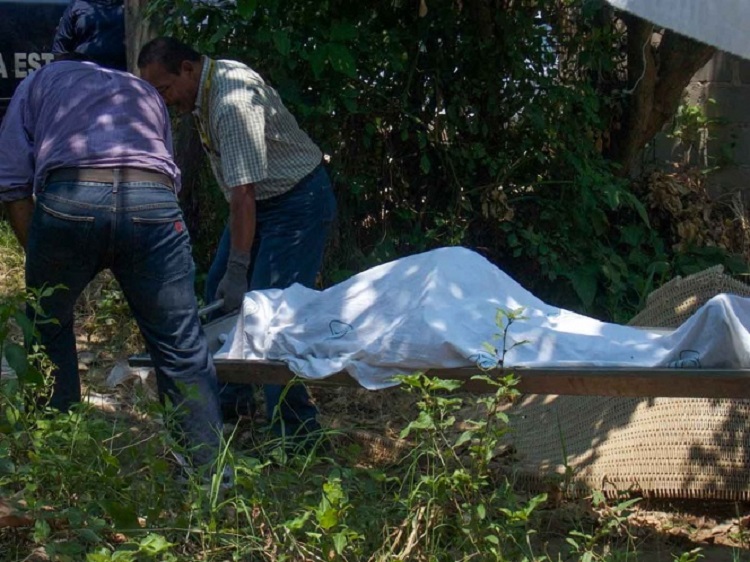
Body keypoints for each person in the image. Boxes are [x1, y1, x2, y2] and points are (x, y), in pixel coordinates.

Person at [0, 56, 225, 475]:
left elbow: (12, 184)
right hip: (152, 203)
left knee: (47, 328)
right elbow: (165, 174)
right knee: (181, 345)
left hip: (70, 197)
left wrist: (46, 263)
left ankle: (56, 463)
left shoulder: (38, 82)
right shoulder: (143, 91)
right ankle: (209, 477)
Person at [137, 37, 337, 439]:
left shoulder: (232, 103)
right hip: (259, 201)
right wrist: (230, 275)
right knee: (219, 296)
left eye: (165, 89)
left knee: (272, 315)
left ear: (188, 69)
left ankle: (296, 432)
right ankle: (231, 405)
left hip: (295, 203)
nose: (164, 100)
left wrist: (239, 268)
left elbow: (243, 192)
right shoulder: (204, 90)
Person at [52, 0, 127, 71]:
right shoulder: (77, 5)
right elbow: (60, 49)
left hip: (121, 73)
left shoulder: (128, 5)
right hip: (84, 73)